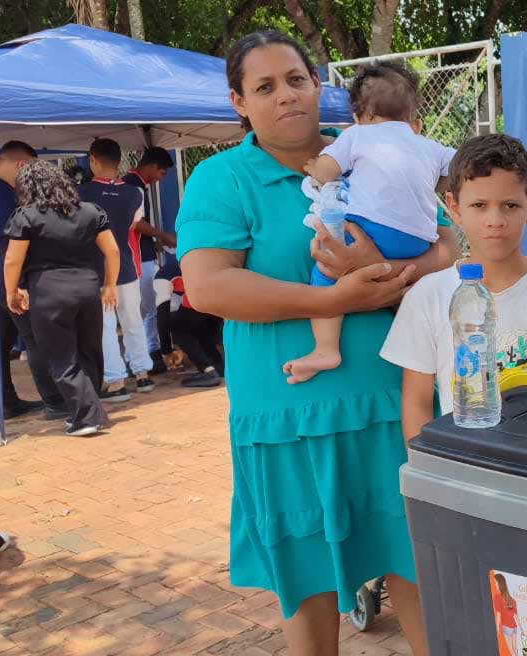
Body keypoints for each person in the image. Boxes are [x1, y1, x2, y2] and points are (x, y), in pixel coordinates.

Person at [176, 30, 460, 656]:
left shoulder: (370, 151)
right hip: (287, 418)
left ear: (317, 86)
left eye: (296, 80)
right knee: (305, 580)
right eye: (265, 87)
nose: (286, 96)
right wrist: (334, 301)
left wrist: (393, 275)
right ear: (239, 102)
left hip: (396, 405)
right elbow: (208, 285)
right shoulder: (223, 178)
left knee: (419, 562)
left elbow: (448, 242)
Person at [381, 134, 527, 426]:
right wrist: (421, 457)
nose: (495, 220)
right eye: (479, 205)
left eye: (510, 205)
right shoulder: (428, 295)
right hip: (461, 453)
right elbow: (417, 402)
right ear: (454, 208)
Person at [286, 60, 456, 384]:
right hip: (419, 241)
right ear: (411, 116)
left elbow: (328, 172)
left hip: (373, 232)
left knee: (325, 269)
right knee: (413, 292)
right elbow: (459, 171)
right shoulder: (428, 146)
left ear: (361, 115)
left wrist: (314, 167)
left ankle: (326, 348)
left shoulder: (357, 136)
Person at [3, 159, 119, 437]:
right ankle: (88, 412)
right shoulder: (91, 211)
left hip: (49, 293)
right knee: (89, 352)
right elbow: (113, 251)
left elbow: (12, 260)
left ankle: (86, 417)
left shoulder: (26, 216)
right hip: (88, 289)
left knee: (61, 356)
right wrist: (110, 285)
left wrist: (11, 291)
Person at [79, 138, 156, 402]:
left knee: (106, 327)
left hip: (97, 270)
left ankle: (116, 383)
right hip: (127, 266)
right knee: (133, 321)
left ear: (93, 160)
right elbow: (133, 225)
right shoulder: (136, 193)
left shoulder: (81, 193)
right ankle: (143, 374)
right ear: (119, 160)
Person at [0, 141, 66, 420]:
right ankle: (55, 401)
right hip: (9, 279)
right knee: (34, 337)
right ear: (22, 164)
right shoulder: (5, 194)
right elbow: (11, 245)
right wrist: (18, 284)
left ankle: (7, 403)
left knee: (3, 342)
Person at [122, 147, 177, 375]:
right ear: (153, 166)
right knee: (149, 309)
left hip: (140, 253)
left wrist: (154, 244)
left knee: (142, 310)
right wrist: (163, 235)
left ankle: (146, 354)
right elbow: (135, 223)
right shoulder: (133, 185)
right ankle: (148, 354)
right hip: (138, 258)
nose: (160, 179)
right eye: (162, 173)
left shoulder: (133, 183)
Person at [167, 275, 225, 388]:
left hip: (200, 297)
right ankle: (217, 366)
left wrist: (166, 350)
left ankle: (208, 371)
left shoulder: (162, 278)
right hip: (218, 296)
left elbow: (162, 319)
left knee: (177, 329)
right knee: (201, 328)